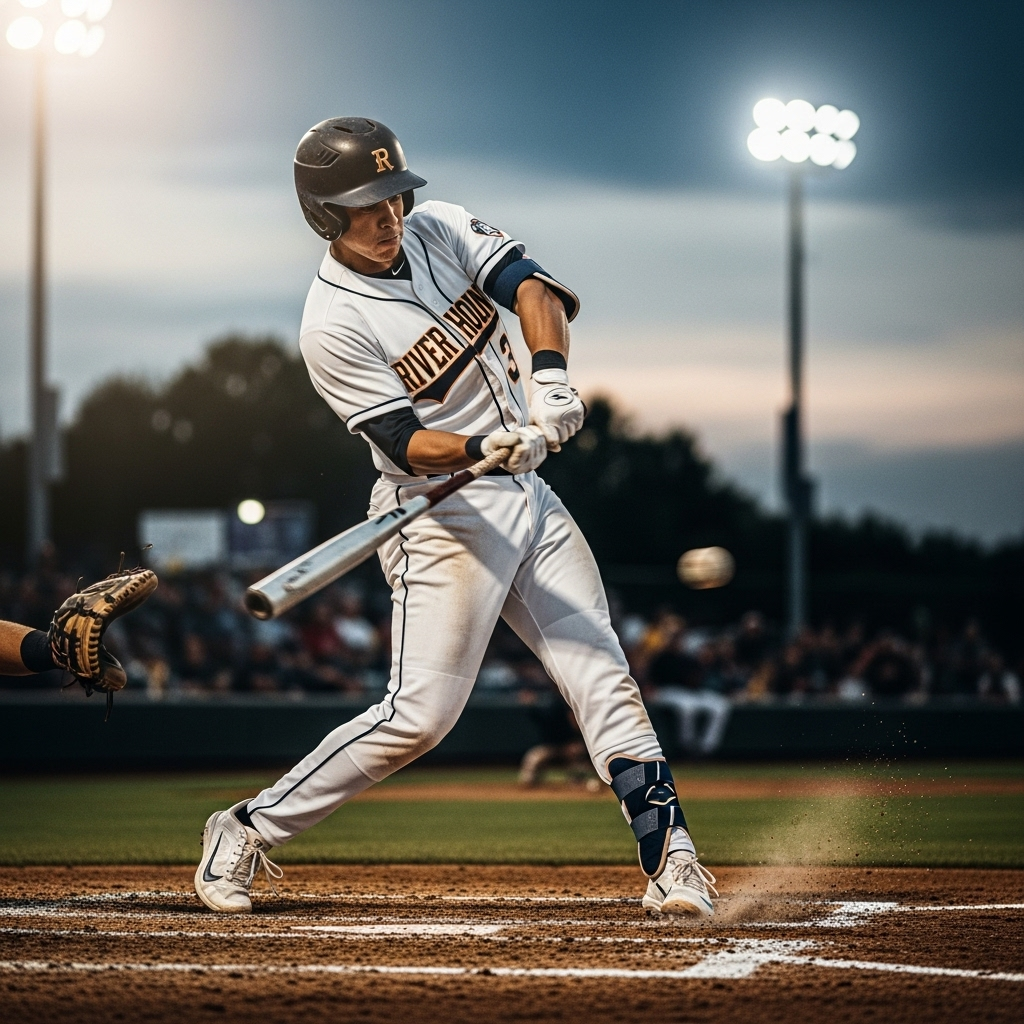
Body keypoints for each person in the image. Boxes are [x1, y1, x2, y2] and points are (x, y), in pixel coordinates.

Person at [194, 118, 716, 919]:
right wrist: (482, 442)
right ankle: (245, 826)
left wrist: (550, 383)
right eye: (366, 205)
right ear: (323, 216)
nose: (390, 214)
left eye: (394, 195)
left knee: (601, 670)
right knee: (421, 717)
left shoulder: (439, 227)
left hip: (529, 494)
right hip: (438, 517)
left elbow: (532, 289)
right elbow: (404, 440)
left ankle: (673, 861)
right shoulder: (331, 323)